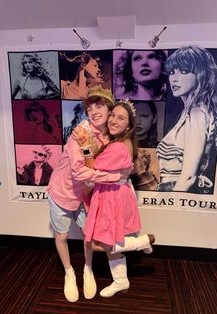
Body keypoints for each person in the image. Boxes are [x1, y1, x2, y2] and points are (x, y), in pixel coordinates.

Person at [47, 86, 129, 303]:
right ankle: (69, 272)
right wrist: (115, 178)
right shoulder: (81, 133)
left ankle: (88, 268)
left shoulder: (110, 137)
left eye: (99, 106)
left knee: (88, 235)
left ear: (109, 109)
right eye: (90, 108)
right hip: (62, 191)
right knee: (62, 236)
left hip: (87, 195)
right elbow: (80, 171)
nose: (93, 111)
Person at [74, 100, 155, 298]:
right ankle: (120, 280)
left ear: (128, 125)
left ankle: (144, 241)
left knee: (97, 242)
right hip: (111, 194)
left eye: (121, 118)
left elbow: (92, 166)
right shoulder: (118, 142)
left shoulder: (119, 147)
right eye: (113, 115)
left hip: (113, 198)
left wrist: (84, 145)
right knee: (110, 241)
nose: (113, 120)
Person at [156, 45, 217, 193]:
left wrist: (173, 204)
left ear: (201, 74)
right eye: (172, 72)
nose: (175, 79)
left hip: (178, 191)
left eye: (184, 71)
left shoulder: (197, 113)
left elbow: (189, 176)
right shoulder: (192, 111)